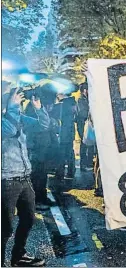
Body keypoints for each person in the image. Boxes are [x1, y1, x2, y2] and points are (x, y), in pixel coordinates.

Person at [2, 88, 49, 267]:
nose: (18, 99)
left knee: (28, 218)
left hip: (24, 178)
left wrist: (38, 107)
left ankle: (18, 255)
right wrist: (13, 107)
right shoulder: (5, 120)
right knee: (4, 228)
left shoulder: (18, 117)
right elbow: (9, 130)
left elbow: (43, 126)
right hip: (5, 180)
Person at [24, 91, 59, 210]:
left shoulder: (43, 110)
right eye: (49, 104)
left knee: (43, 176)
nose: (51, 107)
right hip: (35, 148)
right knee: (35, 177)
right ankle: (35, 201)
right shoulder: (31, 110)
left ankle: (42, 197)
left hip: (44, 149)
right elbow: (32, 130)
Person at [56, 92, 77, 179]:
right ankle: (71, 172)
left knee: (61, 153)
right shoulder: (72, 102)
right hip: (71, 131)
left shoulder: (62, 105)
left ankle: (60, 173)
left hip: (63, 131)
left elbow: (57, 117)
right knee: (70, 152)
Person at [76, 83, 94, 171]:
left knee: (90, 143)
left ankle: (89, 163)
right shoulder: (80, 100)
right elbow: (82, 113)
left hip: (88, 124)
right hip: (83, 124)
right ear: (84, 90)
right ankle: (83, 164)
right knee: (84, 143)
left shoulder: (86, 99)